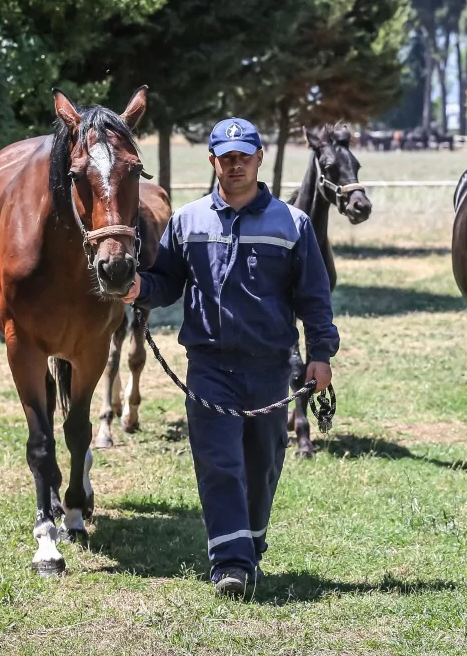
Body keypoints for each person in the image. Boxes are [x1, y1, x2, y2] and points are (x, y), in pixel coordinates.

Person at [123, 117, 338, 596]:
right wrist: (140, 288)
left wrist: (320, 353)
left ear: (259, 158)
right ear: (213, 161)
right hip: (209, 367)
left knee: (262, 465)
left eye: (244, 156)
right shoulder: (188, 221)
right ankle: (232, 566)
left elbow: (314, 298)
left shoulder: (292, 223)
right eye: (226, 157)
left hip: (269, 367)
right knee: (219, 463)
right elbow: (167, 282)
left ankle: (250, 546)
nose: (235, 164)